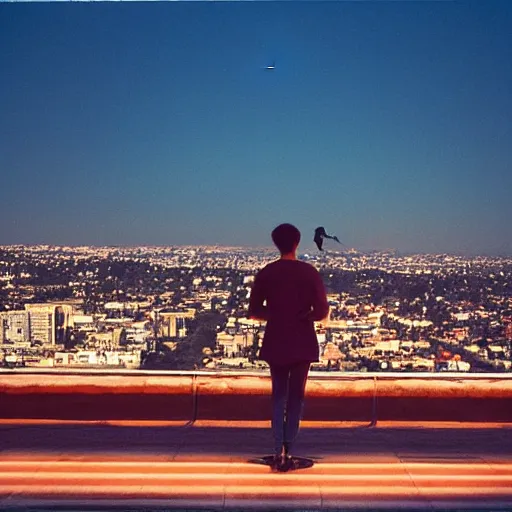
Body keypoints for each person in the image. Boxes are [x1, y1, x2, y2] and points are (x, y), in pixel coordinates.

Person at [248, 223, 329, 471]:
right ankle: (290, 448)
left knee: (278, 396)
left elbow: (254, 311)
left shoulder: (267, 272)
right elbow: (322, 311)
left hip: (276, 340)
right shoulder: (309, 272)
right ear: (297, 242)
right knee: (296, 397)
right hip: (302, 341)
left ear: (276, 243)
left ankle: (277, 450)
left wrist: (274, 314)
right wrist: (305, 317)